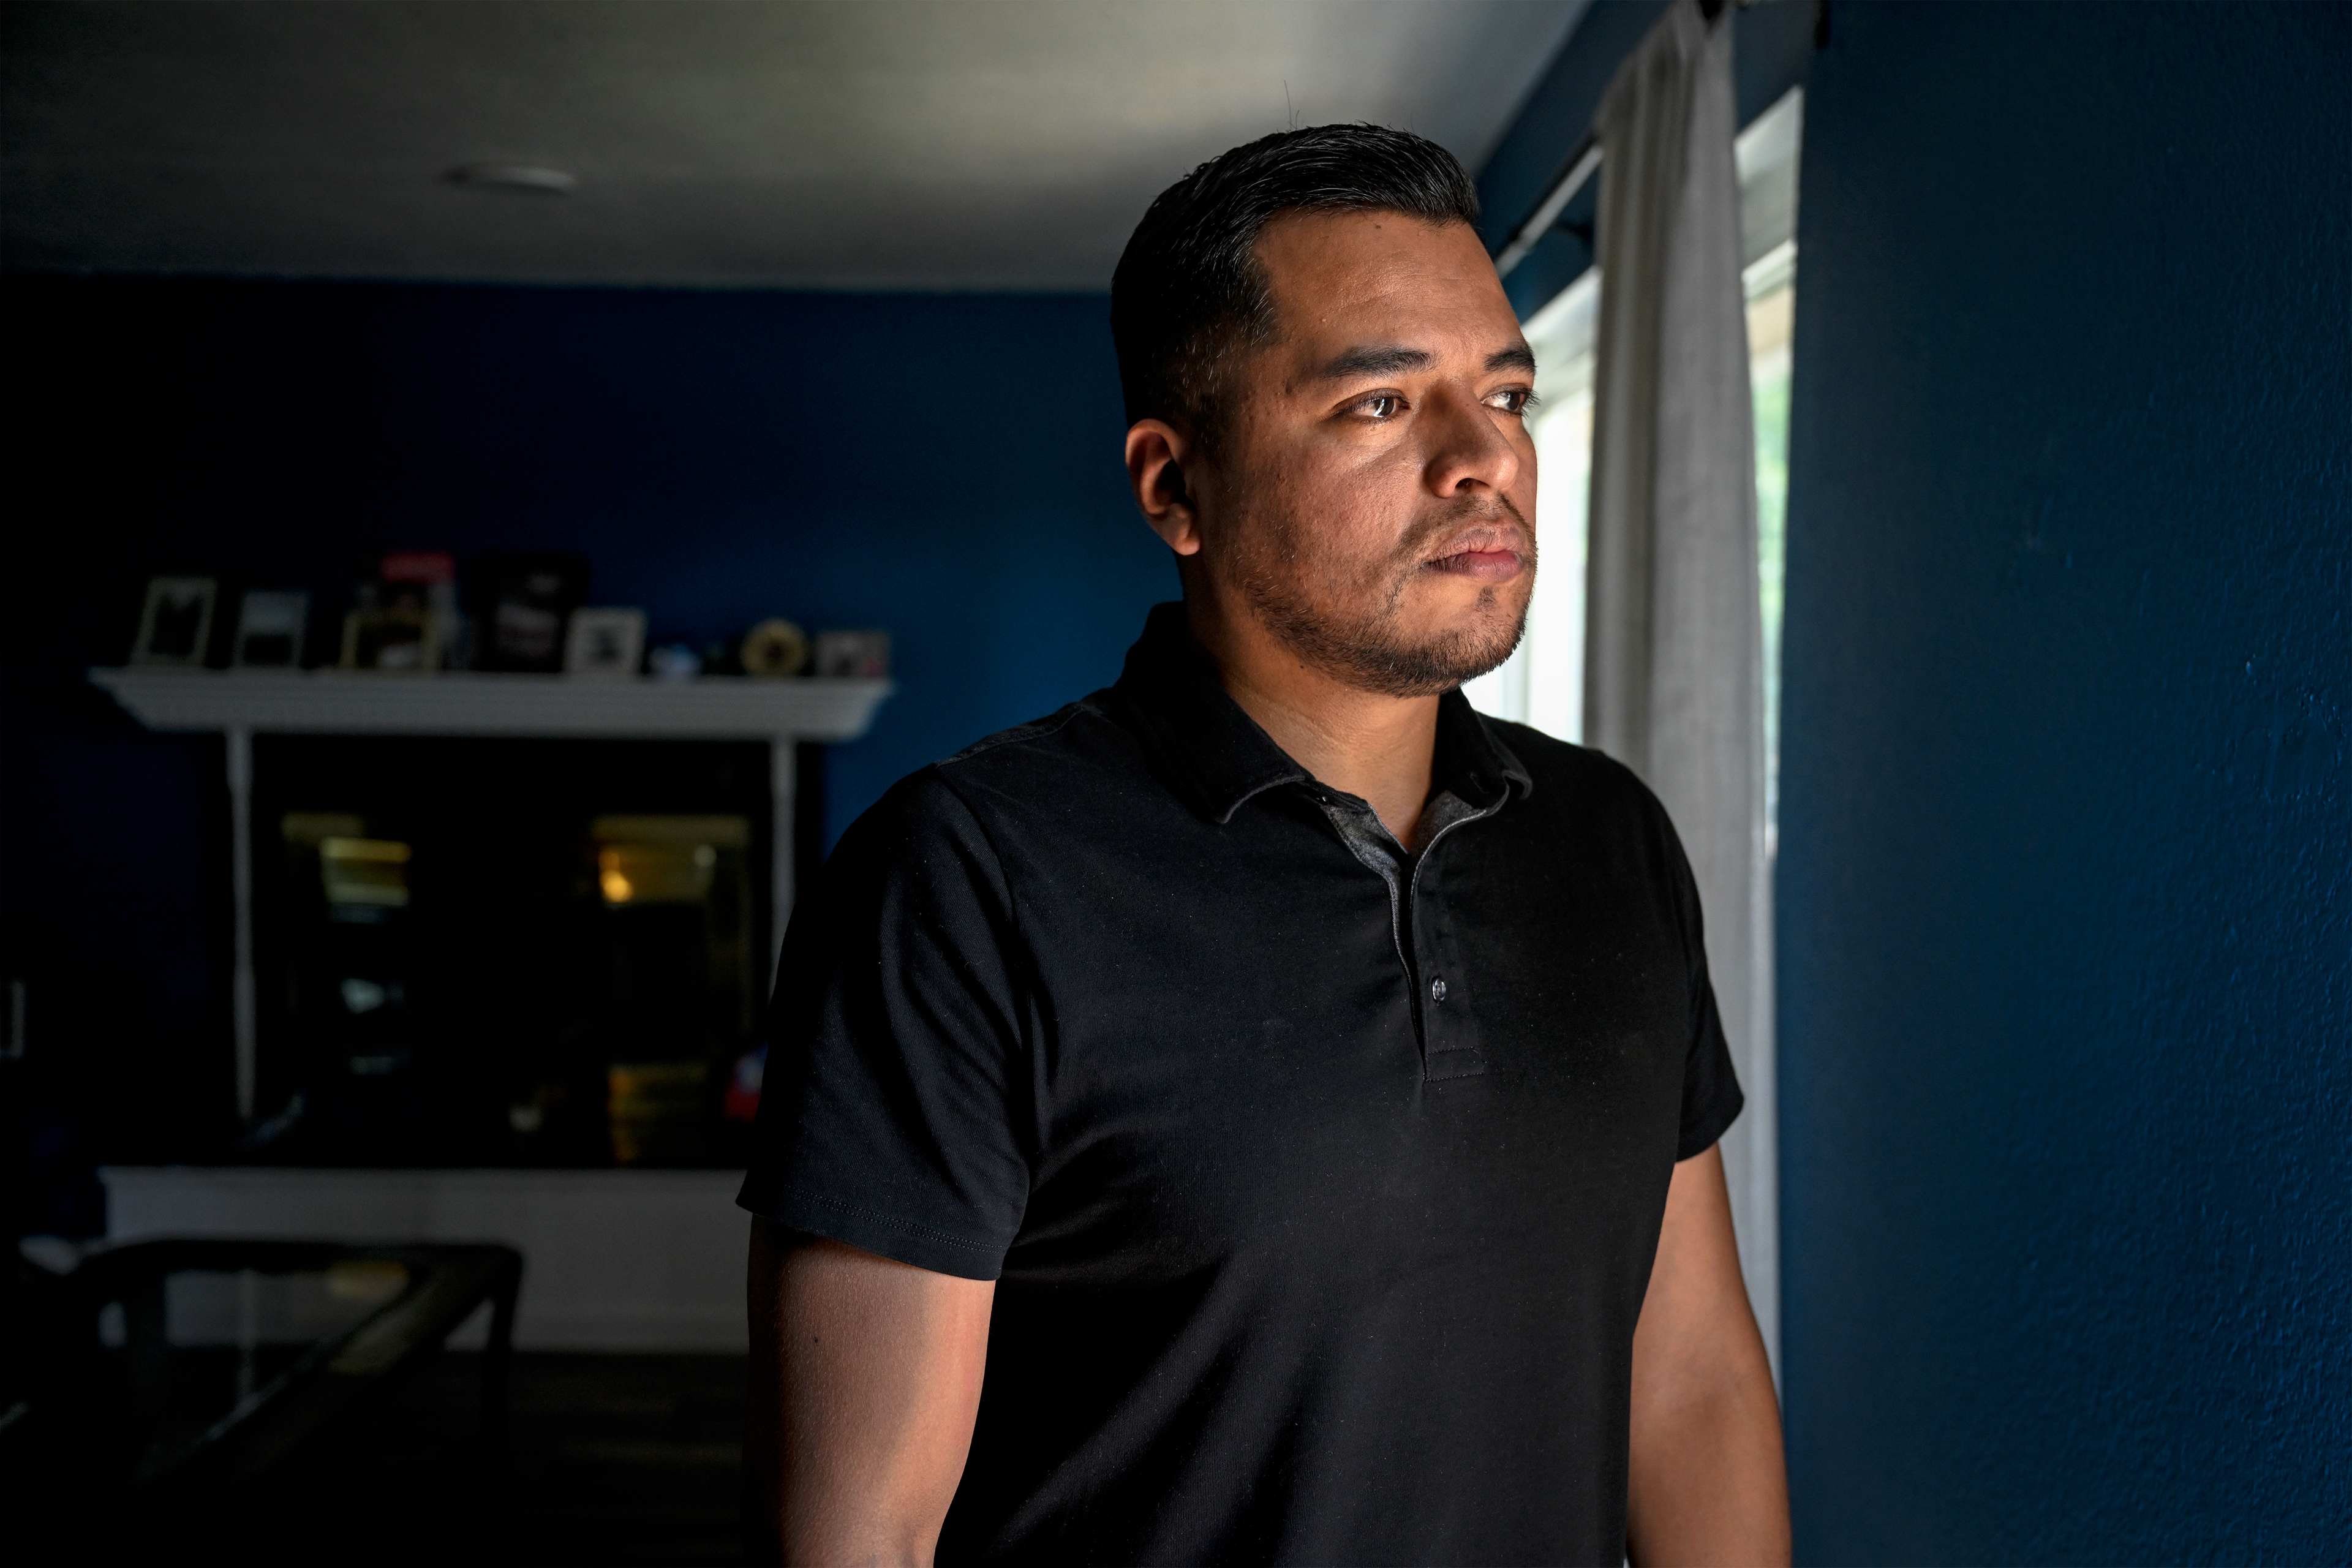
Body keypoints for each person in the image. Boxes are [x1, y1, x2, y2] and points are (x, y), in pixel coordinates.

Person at [741, 124, 1789, 1567]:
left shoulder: (1610, 840)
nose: (1484, 457)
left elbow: (1687, 1385)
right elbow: (862, 1527)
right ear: (1174, 485)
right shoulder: (965, 877)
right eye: (1378, 402)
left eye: (1505, 391)